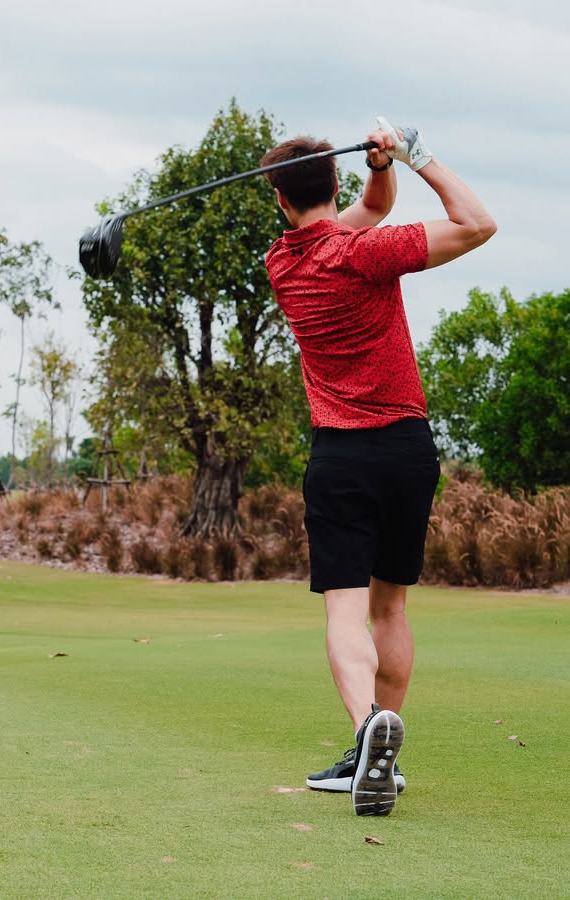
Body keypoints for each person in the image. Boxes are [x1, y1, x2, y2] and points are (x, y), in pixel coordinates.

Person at [261, 118, 496, 816]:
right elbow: (477, 223)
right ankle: (376, 752)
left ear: (280, 200)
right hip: (406, 450)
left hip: (341, 456)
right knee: (389, 606)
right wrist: (414, 156)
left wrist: (380, 170)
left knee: (345, 611)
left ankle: (368, 731)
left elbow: (372, 208)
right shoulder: (368, 253)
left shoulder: (282, 265)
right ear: (334, 182)